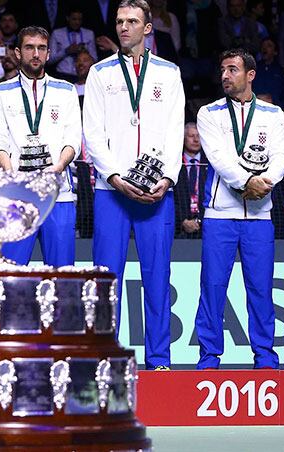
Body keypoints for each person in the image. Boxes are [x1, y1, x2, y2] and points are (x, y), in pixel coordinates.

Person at [83, 0, 185, 370]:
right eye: (119, 21)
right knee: (106, 279)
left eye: (132, 22)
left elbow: (176, 130)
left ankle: (159, 360)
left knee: (157, 277)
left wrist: (167, 178)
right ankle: (104, 358)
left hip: (157, 192)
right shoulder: (100, 72)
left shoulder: (169, 73)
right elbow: (91, 133)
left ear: (148, 28)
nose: (124, 28)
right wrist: (113, 176)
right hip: (113, 191)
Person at [194, 48, 284, 369]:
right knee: (213, 289)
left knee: (261, 291)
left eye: (232, 69)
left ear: (250, 75)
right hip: (220, 214)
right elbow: (218, 157)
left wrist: (267, 182)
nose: (225, 75)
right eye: (222, 69)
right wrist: (249, 181)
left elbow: (281, 157)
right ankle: (208, 359)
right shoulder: (208, 113)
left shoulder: (273, 114)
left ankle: (265, 359)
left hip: (260, 216)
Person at [0, 26, 81, 267]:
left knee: (62, 275)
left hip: (58, 194)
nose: (35, 53)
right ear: (17, 52)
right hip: (16, 196)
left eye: (41, 48)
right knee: (10, 275)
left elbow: (73, 139)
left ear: (48, 54)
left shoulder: (66, 90)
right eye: (29, 47)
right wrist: (12, 174)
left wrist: (58, 166)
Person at [174, 122, 208, 239]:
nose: (196, 140)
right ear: (183, 138)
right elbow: (172, 197)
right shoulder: (175, 163)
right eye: (191, 136)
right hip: (178, 228)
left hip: (206, 226)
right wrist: (182, 221)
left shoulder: (211, 163)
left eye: (198, 136)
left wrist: (201, 221)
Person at [50, 7, 98, 82]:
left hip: (84, 76)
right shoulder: (57, 33)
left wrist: (85, 52)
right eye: (74, 19)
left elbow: (95, 59)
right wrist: (66, 51)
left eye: (79, 20)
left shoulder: (89, 34)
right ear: (67, 18)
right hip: (63, 75)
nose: (77, 22)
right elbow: (50, 59)